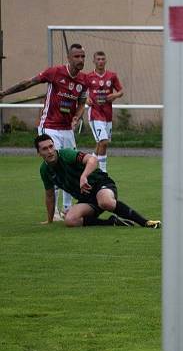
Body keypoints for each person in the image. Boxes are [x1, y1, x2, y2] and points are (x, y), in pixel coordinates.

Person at [0, 43, 88, 218]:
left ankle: (67, 208)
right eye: (77, 56)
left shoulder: (83, 80)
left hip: (67, 130)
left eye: (83, 56)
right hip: (49, 126)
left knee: (71, 167)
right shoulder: (55, 72)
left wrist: (77, 117)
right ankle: (53, 211)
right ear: (69, 58)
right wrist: (5, 92)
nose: (80, 59)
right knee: (53, 166)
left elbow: (81, 103)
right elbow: (28, 83)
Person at [35, 134, 161, 228]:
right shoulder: (44, 170)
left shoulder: (66, 154)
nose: (50, 151)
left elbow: (93, 160)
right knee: (70, 220)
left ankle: (145, 222)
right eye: (45, 149)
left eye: (51, 146)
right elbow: (50, 195)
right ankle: (112, 222)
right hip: (86, 198)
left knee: (106, 202)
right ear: (39, 153)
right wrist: (50, 220)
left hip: (100, 183)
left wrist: (84, 176)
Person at [86, 51, 124, 172]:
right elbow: (80, 92)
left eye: (103, 59)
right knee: (104, 142)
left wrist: (115, 95)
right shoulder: (88, 77)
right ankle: (103, 172)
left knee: (100, 144)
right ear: (94, 61)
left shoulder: (112, 76)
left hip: (107, 114)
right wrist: (86, 99)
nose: (101, 61)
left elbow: (121, 91)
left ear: (105, 61)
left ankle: (88, 165)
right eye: (98, 59)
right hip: (95, 113)